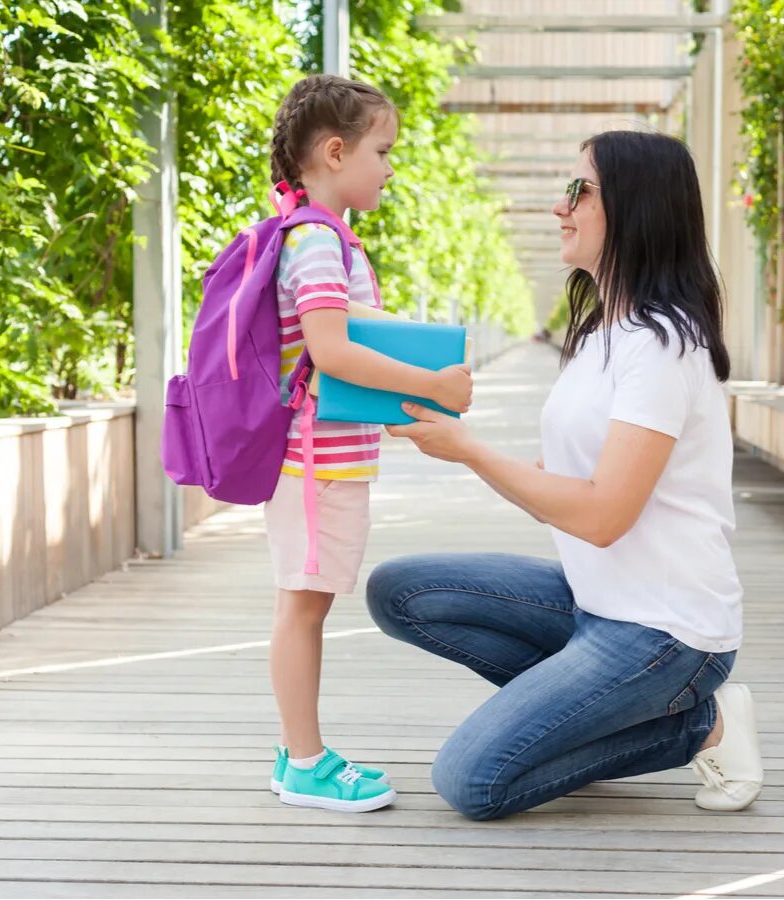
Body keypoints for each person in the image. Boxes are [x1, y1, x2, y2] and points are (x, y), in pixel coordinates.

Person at [368, 130, 763, 820]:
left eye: (580, 190)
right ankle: (589, 719)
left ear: (636, 208)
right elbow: (565, 490)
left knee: (472, 781)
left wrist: (470, 450)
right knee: (399, 591)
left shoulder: (663, 346)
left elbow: (602, 517)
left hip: (665, 634)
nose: (560, 206)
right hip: (594, 601)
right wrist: (458, 438)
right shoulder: (601, 336)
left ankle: (703, 723)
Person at [264, 74, 473, 813]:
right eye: (382, 151)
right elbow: (330, 351)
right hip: (313, 467)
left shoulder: (324, 236)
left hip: (325, 463)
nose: (389, 167)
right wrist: (435, 383)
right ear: (334, 150)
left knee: (306, 604)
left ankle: (300, 749)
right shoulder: (319, 241)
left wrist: (413, 412)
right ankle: (303, 762)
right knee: (303, 607)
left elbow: (340, 362)